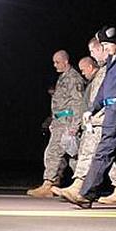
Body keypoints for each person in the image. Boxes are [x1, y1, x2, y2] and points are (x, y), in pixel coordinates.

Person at [62, 26, 116, 208]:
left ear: (115, 43)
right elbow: (104, 89)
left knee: (103, 152)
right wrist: (92, 109)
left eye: (105, 44)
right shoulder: (112, 60)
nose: (104, 48)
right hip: (110, 111)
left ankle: (86, 195)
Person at [56, 48, 116, 205]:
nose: (93, 55)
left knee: (94, 154)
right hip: (96, 120)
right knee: (104, 156)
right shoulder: (104, 71)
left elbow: (110, 96)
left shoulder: (110, 69)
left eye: (93, 51)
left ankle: (81, 188)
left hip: (103, 120)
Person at [27, 50, 84, 198]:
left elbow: (77, 103)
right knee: (70, 157)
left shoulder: (73, 78)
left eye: (57, 62)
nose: (54, 65)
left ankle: (50, 184)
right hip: (60, 122)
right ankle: (67, 185)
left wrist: (74, 126)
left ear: (65, 61)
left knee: (55, 153)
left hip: (66, 123)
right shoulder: (63, 78)